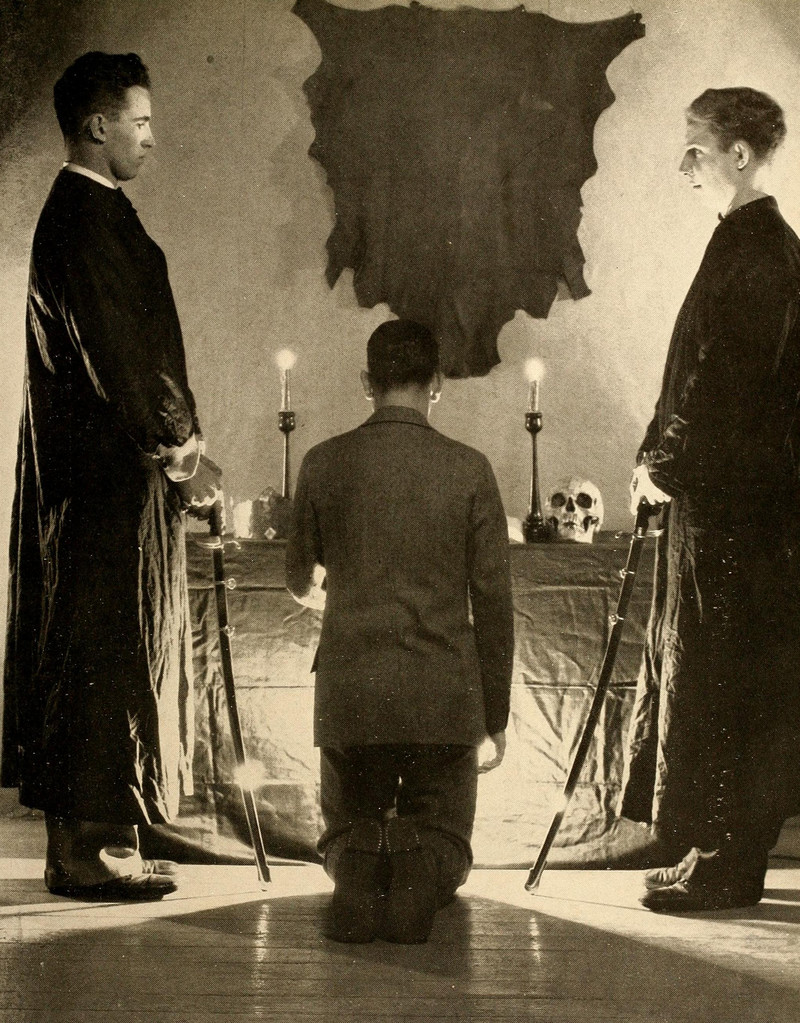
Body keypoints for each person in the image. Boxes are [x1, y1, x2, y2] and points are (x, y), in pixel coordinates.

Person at [1, 52, 221, 900]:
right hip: (99, 489)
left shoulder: (92, 213)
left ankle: (106, 839)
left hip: (106, 483)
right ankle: (85, 849)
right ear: (98, 125)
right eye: (141, 122)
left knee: (112, 650)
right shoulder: (85, 220)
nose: (151, 138)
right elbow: (123, 357)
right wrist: (182, 450)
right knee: (99, 650)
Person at [620, 87, 800, 912]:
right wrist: (654, 456)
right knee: (718, 676)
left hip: (739, 517)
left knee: (730, 679)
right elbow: (692, 373)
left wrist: (664, 465)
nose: (683, 164)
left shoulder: (761, 254)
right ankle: (714, 851)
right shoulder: (745, 245)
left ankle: (728, 864)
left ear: (739, 153)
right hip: (724, 508)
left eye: (695, 148)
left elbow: (723, 384)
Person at [286, 319, 514, 943]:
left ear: (367, 382)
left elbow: (299, 580)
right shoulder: (470, 469)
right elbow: (494, 603)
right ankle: (424, 868)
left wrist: (346, 599)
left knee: (347, 826)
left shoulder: (322, 462)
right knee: (446, 832)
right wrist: (494, 715)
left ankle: (358, 867)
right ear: (436, 383)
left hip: (352, 693)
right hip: (443, 695)